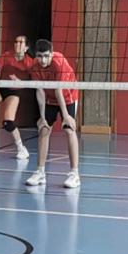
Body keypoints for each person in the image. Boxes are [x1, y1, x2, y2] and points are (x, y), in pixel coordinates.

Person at [24, 39, 81, 189]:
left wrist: (66, 116)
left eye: (46, 56)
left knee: (69, 129)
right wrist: (42, 117)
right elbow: (40, 91)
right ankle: (40, 172)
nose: (43, 60)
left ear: (51, 52)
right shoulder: (35, 67)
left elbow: (58, 90)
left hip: (67, 96)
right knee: (43, 130)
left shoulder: (59, 61)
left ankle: (74, 174)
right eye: (39, 56)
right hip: (49, 98)